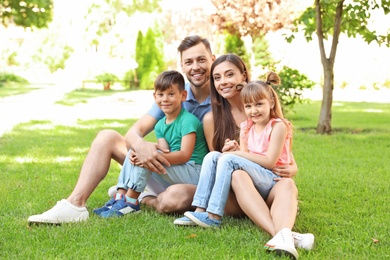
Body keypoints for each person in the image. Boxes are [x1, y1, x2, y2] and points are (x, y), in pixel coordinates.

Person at [28, 35, 215, 224]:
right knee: (107, 137)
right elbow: (134, 133)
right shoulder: (170, 96)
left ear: (212, 60)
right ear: (182, 66)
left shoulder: (222, 94)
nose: (195, 67)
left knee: (171, 199)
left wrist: (153, 155)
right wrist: (142, 148)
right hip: (168, 167)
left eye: (201, 60)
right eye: (188, 62)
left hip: (194, 174)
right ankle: (75, 204)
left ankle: (139, 197)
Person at [174, 54, 314, 259]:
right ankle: (201, 209)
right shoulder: (235, 123)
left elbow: (278, 158)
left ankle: (214, 215)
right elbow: (246, 156)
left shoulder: (276, 124)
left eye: (230, 74)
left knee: (280, 182)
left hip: (269, 178)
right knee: (216, 156)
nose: (253, 110)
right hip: (243, 184)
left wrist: (292, 167)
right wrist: (236, 150)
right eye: (217, 77)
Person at [93, 70, 208, 218]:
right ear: (155, 97)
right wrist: (143, 154)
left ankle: (131, 201)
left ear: (183, 96)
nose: (165, 99)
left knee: (148, 156)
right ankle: (120, 197)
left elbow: (185, 155)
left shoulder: (188, 121)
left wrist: (150, 156)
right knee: (137, 150)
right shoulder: (160, 125)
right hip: (179, 171)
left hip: (195, 172)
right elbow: (164, 151)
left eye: (171, 94)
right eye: (161, 95)